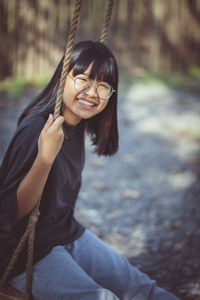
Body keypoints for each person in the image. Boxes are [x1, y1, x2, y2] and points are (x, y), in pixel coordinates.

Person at [0, 40, 179, 300]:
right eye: (82, 79)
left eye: (103, 86)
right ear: (63, 77)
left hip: (65, 232)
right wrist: (44, 159)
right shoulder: (36, 129)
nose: (92, 92)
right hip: (25, 251)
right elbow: (10, 212)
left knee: (141, 287)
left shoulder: (77, 124)